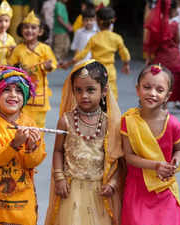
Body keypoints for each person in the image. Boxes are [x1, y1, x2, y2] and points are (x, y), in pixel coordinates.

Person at [45, 60, 124, 225]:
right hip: (71, 189)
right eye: (78, 90)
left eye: (90, 90)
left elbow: (117, 159)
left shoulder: (110, 123)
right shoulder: (65, 121)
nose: (84, 96)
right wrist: (59, 178)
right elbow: (58, 151)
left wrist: (113, 182)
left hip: (100, 191)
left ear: (104, 91)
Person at [0, 65, 46, 225]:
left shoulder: (30, 123)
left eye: (19, 91)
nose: (13, 95)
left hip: (22, 203)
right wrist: (15, 144)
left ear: (25, 96)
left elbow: (31, 163)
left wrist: (32, 147)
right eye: (7, 90)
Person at [121, 64, 180, 225]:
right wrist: (156, 165)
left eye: (159, 90)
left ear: (168, 96)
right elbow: (128, 156)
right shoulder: (128, 121)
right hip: (137, 189)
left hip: (164, 189)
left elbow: (179, 150)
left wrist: (175, 162)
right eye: (147, 87)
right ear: (137, 89)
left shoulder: (173, 124)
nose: (152, 93)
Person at [62, 7, 131, 100]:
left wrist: (68, 63)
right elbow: (125, 54)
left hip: (96, 71)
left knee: (96, 93)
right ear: (113, 21)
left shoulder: (94, 38)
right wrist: (126, 64)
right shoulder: (117, 38)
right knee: (112, 94)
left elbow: (82, 54)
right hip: (110, 71)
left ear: (97, 21)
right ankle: (111, 112)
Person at [8, 11, 57, 128]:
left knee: (38, 127)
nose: (29, 30)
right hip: (22, 95)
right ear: (21, 30)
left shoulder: (45, 49)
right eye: (26, 27)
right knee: (22, 125)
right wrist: (16, 68)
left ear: (40, 31)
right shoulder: (18, 50)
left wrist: (48, 66)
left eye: (33, 27)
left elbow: (52, 65)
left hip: (40, 95)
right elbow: (10, 67)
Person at [144, 0, 180, 113]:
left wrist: (150, 57)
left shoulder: (157, 23)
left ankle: (163, 103)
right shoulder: (174, 24)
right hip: (174, 57)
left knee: (161, 80)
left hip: (160, 57)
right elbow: (178, 40)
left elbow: (152, 42)